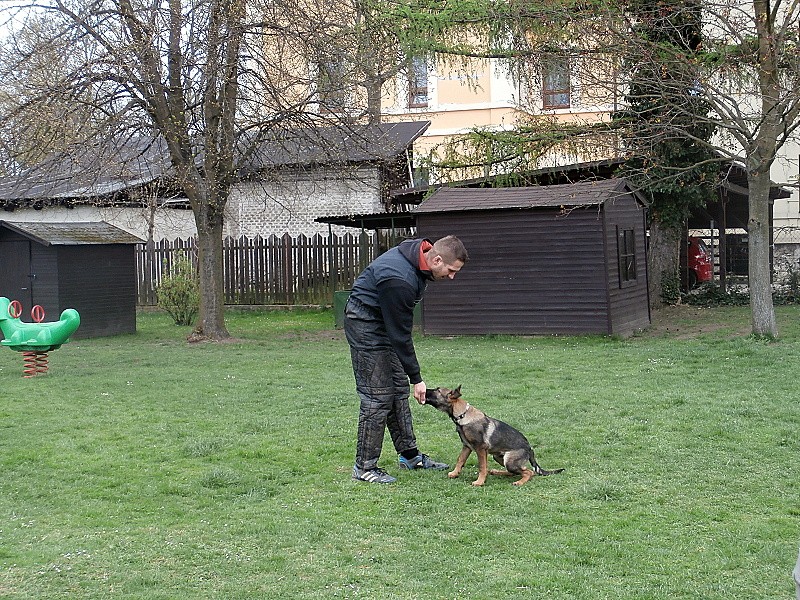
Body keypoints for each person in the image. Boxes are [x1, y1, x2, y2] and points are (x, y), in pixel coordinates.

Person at [344, 235, 468, 483]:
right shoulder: (398, 278)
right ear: (436, 259)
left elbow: (398, 330)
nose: (452, 276)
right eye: (451, 270)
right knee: (377, 396)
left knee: (398, 391)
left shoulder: (419, 259)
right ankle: (365, 467)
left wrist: (410, 379)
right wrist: (417, 379)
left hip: (383, 320)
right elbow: (400, 335)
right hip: (365, 324)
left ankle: (410, 456)